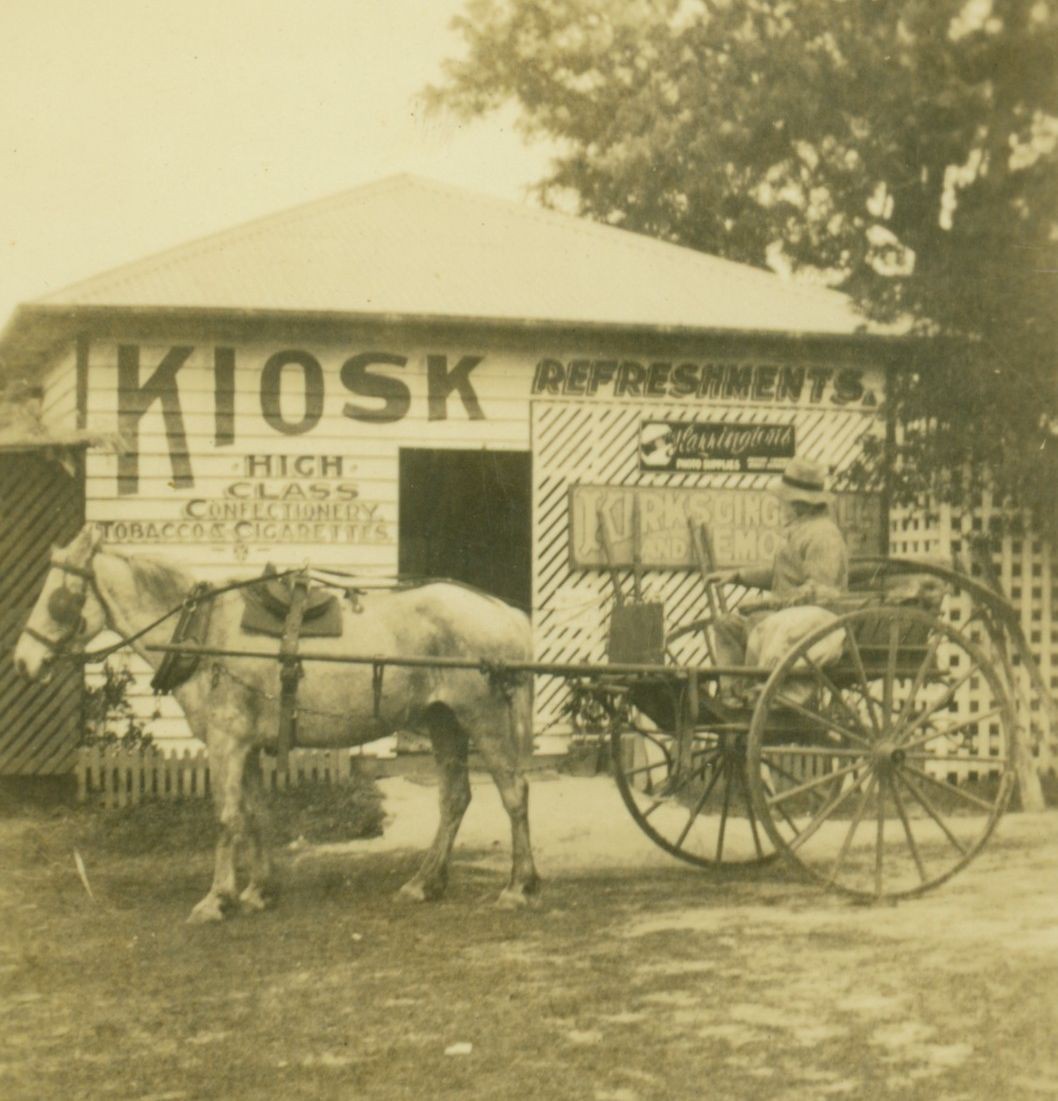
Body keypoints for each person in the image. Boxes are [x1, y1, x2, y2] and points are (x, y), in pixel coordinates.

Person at [708, 456, 849, 704]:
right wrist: (738, 575)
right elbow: (781, 572)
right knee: (726, 625)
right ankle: (733, 696)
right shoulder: (801, 530)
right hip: (783, 619)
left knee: (759, 623)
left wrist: (767, 604)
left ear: (799, 504)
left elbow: (819, 592)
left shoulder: (824, 537)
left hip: (812, 627)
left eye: (783, 501)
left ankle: (764, 697)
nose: (780, 506)